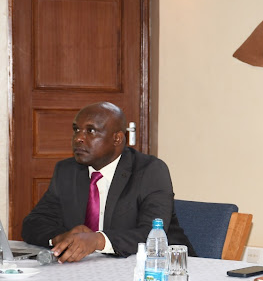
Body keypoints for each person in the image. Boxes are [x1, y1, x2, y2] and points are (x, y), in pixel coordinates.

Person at [22, 102, 195, 263]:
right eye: (76, 130)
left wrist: (98, 240)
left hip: (162, 269)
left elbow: (151, 235)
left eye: (90, 131)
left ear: (117, 139)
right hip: (90, 269)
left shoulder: (150, 171)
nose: (78, 139)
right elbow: (33, 223)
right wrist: (60, 237)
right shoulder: (67, 171)